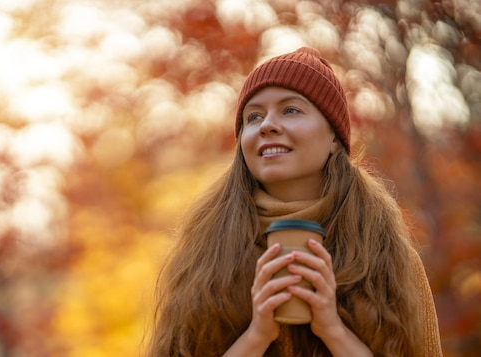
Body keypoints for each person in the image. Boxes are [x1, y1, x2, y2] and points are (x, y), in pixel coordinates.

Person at [145, 47, 442, 356]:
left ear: (333, 138)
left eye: (291, 110)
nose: (267, 125)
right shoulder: (203, 254)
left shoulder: (387, 255)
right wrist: (257, 335)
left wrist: (332, 330)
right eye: (254, 116)